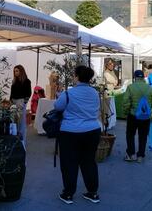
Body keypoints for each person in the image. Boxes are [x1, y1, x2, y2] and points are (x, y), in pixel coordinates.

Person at [54, 66, 101, 205]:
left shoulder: (69, 93)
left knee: (69, 162)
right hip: (92, 130)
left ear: (76, 76)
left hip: (70, 132)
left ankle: (68, 193)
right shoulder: (95, 93)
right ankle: (93, 192)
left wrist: (59, 96)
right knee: (89, 162)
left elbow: (57, 107)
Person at [123, 70, 152, 163]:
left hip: (133, 115)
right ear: (143, 77)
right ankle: (140, 156)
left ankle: (131, 154)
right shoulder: (150, 88)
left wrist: (126, 112)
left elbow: (126, 102)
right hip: (146, 117)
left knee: (130, 135)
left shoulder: (130, 87)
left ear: (135, 77)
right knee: (143, 136)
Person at [10, 65, 32, 145]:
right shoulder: (14, 81)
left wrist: (24, 103)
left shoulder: (26, 81)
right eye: (14, 71)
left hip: (21, 101)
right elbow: (12, 93)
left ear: (21, 71)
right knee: (13, 121)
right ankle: (14, 141)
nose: (15, 73)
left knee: (21, 122)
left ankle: (22, 142)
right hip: (13, 102)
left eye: (17, 71)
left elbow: (28, 93)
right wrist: (10, 101)